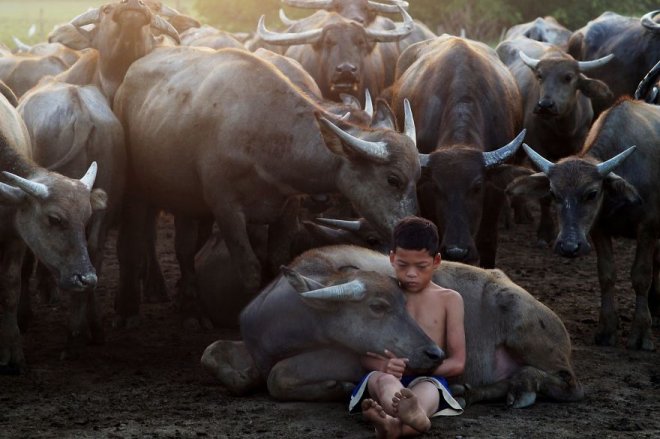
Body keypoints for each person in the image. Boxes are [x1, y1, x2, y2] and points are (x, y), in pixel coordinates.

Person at [348, 216, 466, 438]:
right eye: (403, 265)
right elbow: (362, 355)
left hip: (429, 377)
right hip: (387, 375)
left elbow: (458, 362)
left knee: (428, 391)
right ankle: (407, 416)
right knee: (384, 382)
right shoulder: (381, 296)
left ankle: (394, 424)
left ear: (436, 261)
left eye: (421, 266)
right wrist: (384, 365)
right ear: (392, 258)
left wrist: (419, 370)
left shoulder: (450, 299)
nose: (411, 273)